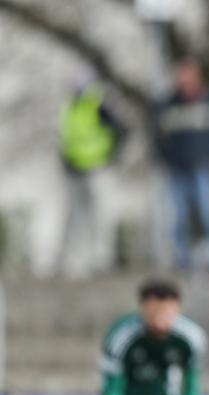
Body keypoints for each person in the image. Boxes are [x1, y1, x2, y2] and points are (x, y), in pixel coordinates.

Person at [156, 57, 209, 268]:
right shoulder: (169, 104)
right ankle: (183, 261)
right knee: (180, 218)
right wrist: (168, 160)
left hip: (203, 167)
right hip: (178, 169)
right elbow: (161, 138)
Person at [57, 79, 126, 276]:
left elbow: (120, 132)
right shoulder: (69, 108)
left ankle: (101, 260)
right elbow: (67, 140)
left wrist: (110, 157)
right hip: (74, 171)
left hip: (96, 168)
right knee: (76, 217)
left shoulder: (97, 106)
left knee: (100, 215)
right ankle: (75, 264)